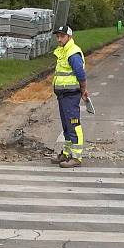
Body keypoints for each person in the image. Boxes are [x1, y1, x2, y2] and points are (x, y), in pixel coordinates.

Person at [51, 25, 88, 168]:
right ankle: (66, 154)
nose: (59, 39)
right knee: (66, 126)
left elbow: (80, 74)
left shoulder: (72, 52)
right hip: (63, 95)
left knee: (73, 125)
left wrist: (84, 89)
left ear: (69, 37)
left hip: (71, 95)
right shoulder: (63, 51)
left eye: (62, 36)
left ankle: (77, 157)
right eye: (58, 36)